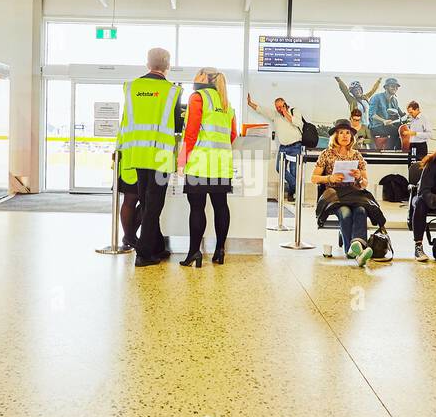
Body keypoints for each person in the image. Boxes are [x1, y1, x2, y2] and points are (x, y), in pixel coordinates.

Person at [115, 46, 182, 267]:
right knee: (154, 206)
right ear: (168, 66)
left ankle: (156, 246)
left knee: (146, 202)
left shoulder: (131, 87)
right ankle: (144, 254)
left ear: (147, 64)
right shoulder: (172, 91)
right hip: (160, 157)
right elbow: (178, 124)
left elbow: (125, 121)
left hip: (136, 155)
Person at [179, 67, 237, 267]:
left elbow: (191, 133)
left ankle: (194, 253)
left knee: (197, 208)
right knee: (221, 206)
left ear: (204, 77)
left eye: (197, 74)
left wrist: (182, 160)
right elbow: (232, 135)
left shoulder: (197, 97)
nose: (194, 77)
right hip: (222, 164)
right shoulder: (226, 103)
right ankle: (220, 251)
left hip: (200, 164)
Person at [311, 118, 376, 267]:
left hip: (354, 194)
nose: (345, 136)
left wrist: (359, 176)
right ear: (335, 136)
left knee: (360, 210)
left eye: (347, 133)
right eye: (341, 133)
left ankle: (356, 248)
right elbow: (314, 178)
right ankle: (353, 252)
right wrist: (330, 177)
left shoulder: (357, 155)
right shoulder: (326, 154)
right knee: (346, 212)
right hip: (335, 196)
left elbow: (365, 183)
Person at [246, 93, 305, 202]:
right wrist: (250, 103)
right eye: (277, 107)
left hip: (296, 146)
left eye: (280, 106)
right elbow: (261, 110)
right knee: (279, 168)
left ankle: (291, 194)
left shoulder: (294, 111)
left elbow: (298, 123)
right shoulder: (275, 115)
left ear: (285, 104)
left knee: (293, 171)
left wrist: (285, 113)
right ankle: (297, 187)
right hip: (283, 148)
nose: (278, 109)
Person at [367, 77, 406, 149]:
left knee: (403, 130)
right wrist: (384, 120)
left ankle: (398, 150)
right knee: (396, 131)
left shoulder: (394, 100)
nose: (395, 88)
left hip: (388, 126)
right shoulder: (376, 97)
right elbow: (372, 115)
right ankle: (390, 151)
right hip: (376, 126)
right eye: (392, 86)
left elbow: (400, 113)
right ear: (386, 87)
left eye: (396, 87)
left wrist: (410, 116)